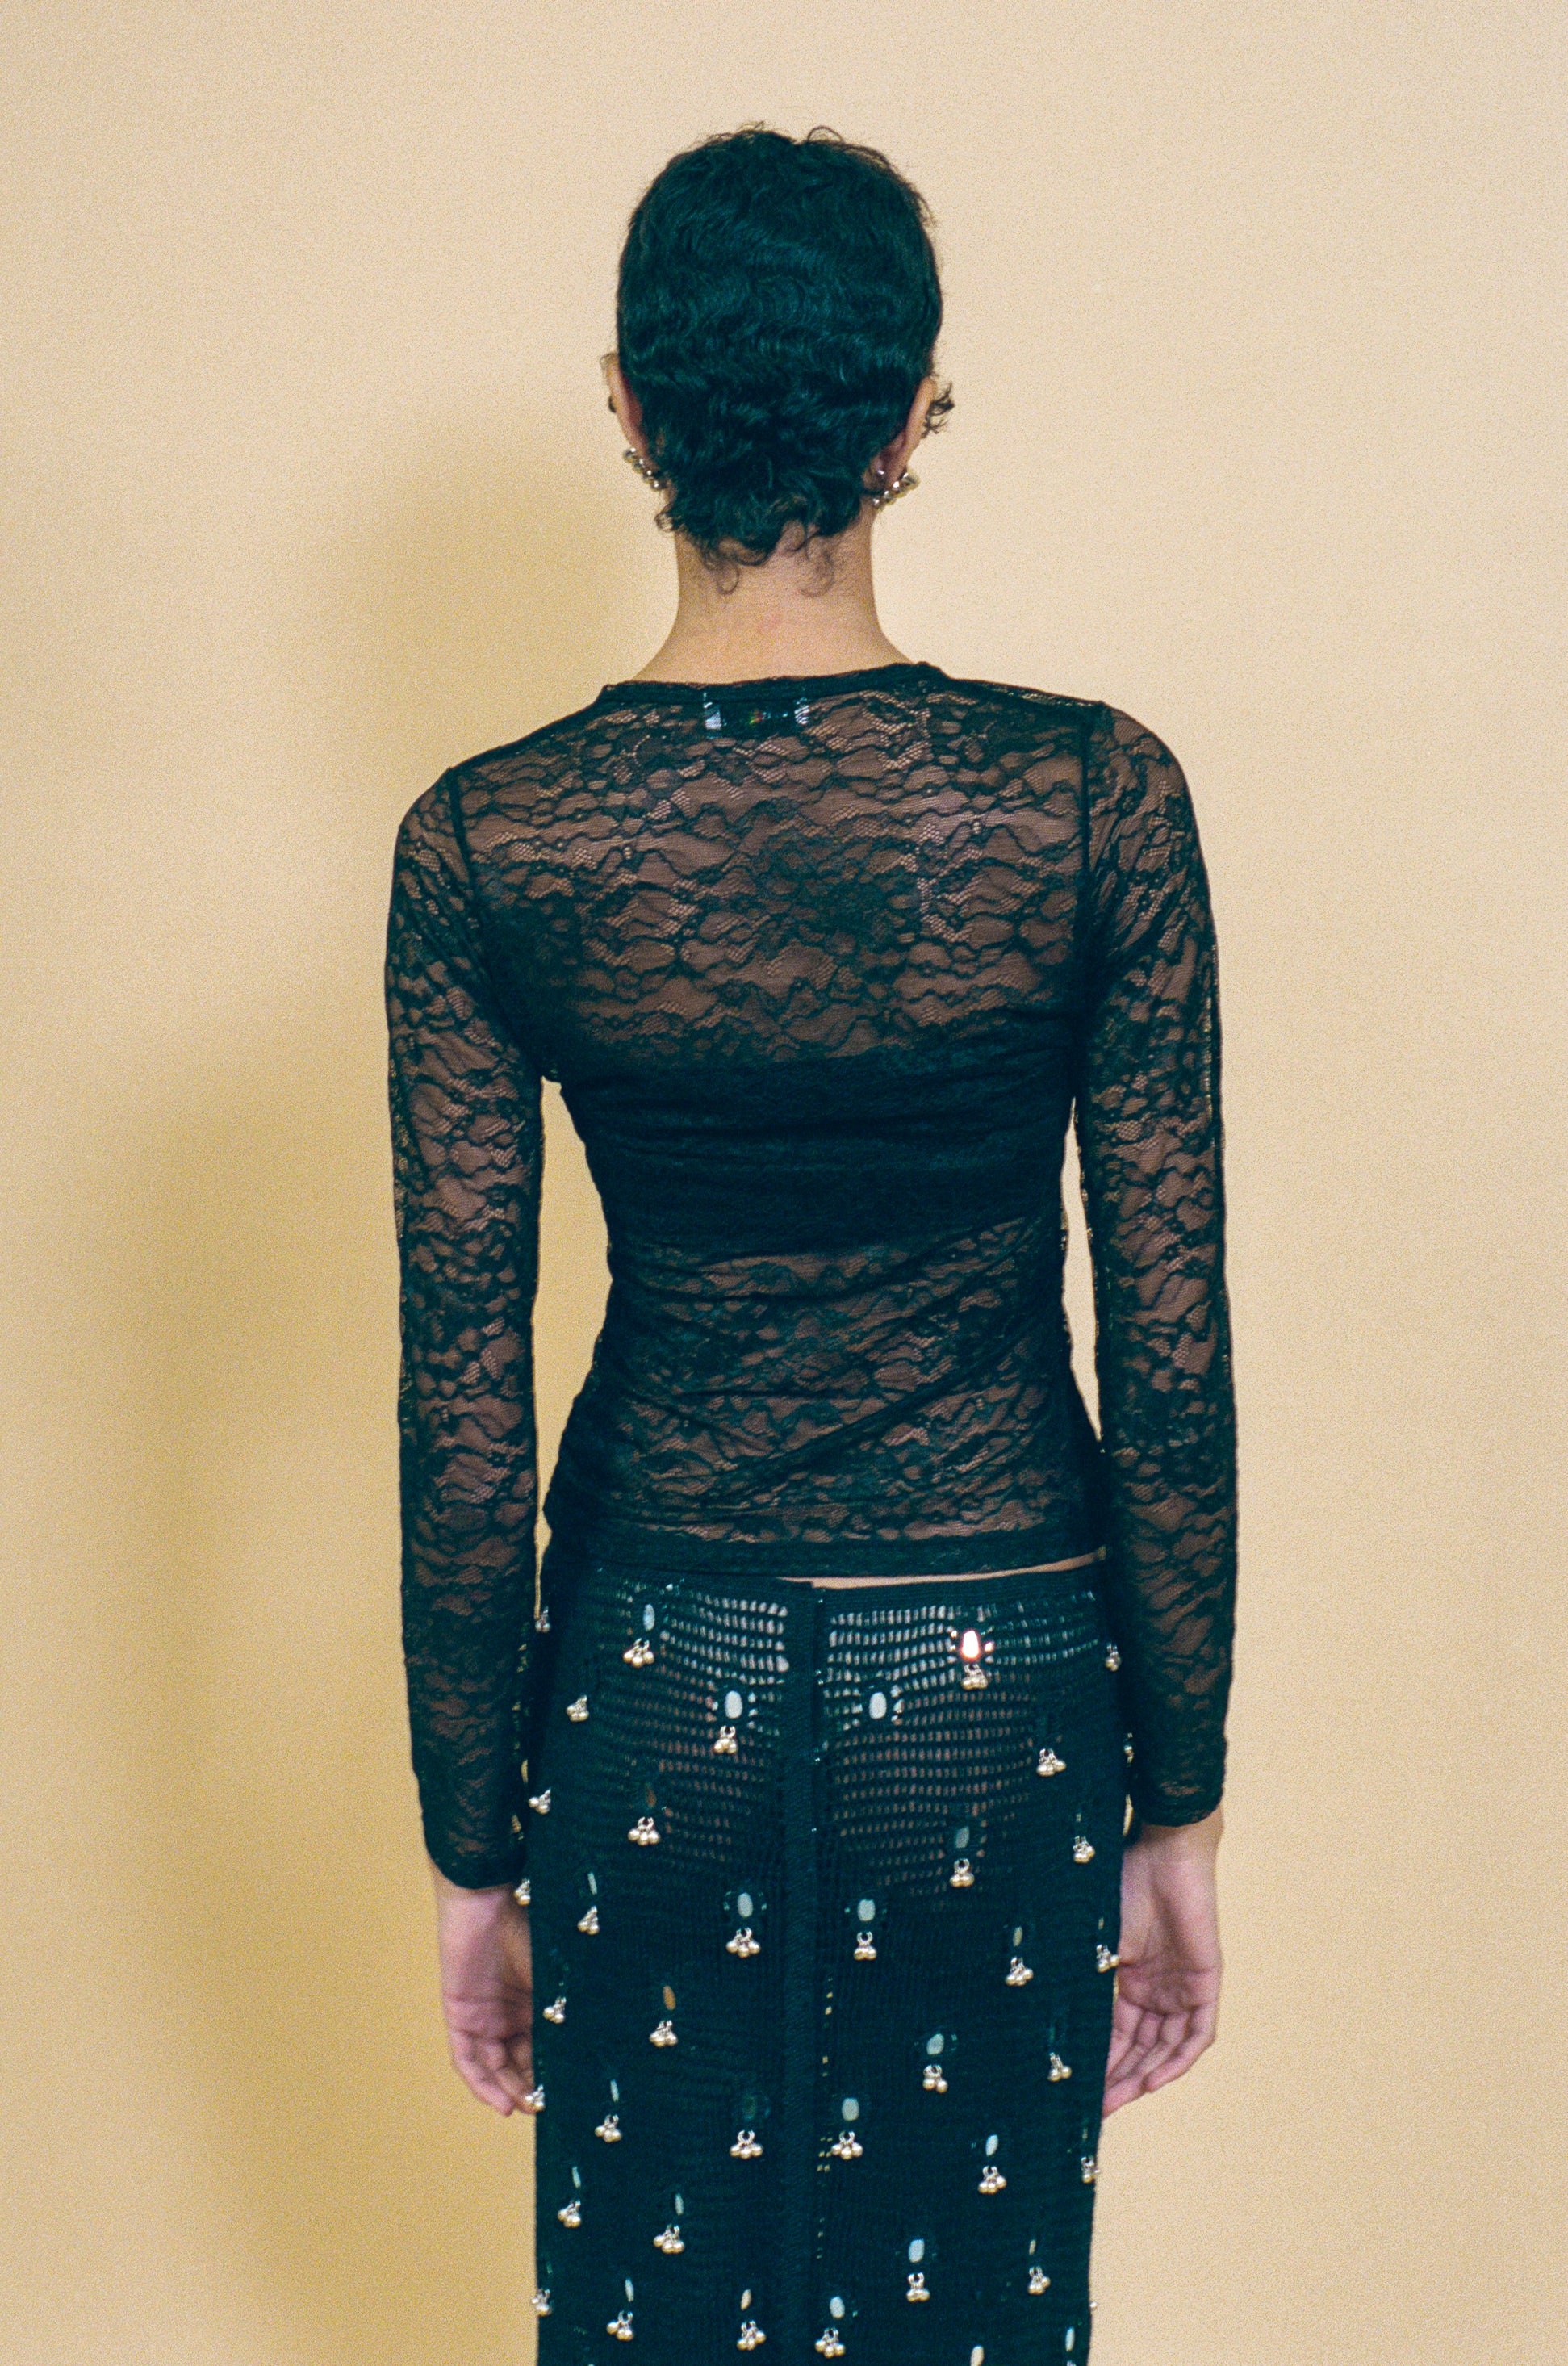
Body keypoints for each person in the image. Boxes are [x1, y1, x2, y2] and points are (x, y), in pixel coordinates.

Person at [384, 123, 1233, 2365]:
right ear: (912, 412)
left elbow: (464, 1399)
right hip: (1004, 1681)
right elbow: (1170, 1355)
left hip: (652, 1680)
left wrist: (474, 1847)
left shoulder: (487, 845)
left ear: (630, 405)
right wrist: (1180, 1801)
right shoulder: (1097, 801)